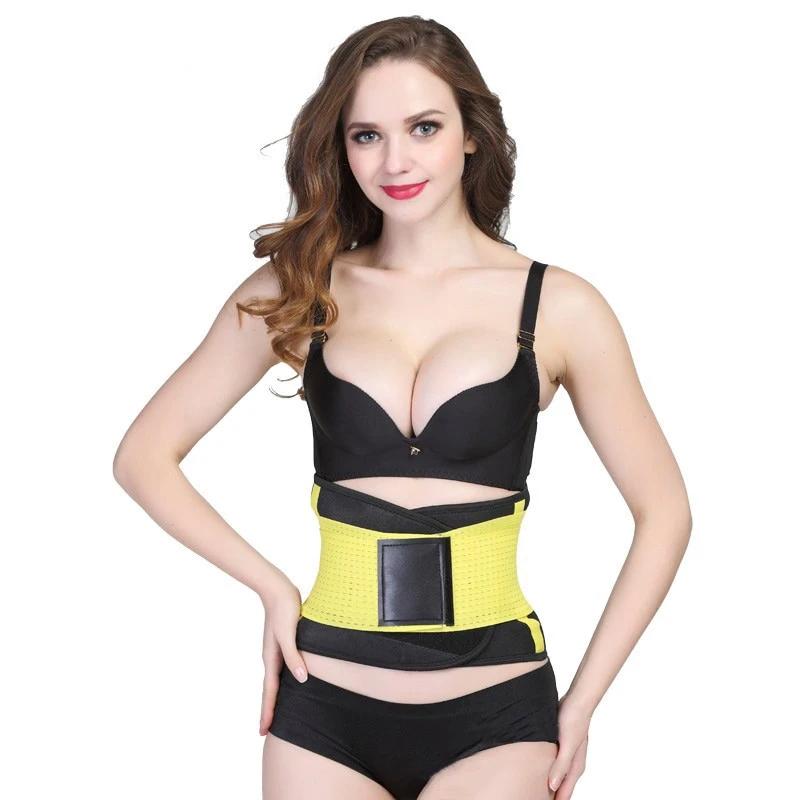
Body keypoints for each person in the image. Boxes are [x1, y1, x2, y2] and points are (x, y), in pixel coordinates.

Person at [113, 15, 692, 800]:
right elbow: (143, 457)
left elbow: (665, 512)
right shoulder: (302, 288)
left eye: (424, 127)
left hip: (498, 712)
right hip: (323, 709)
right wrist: (272, 587)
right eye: (367, 136)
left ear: (471, 134)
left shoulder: (560, 306)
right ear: (341, 147)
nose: (395, 161)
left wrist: (583, 703)